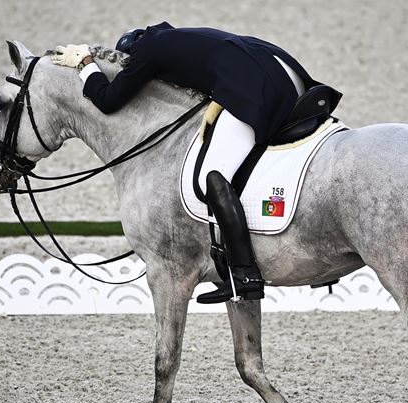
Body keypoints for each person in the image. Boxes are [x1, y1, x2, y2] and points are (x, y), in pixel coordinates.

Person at [52, 22, 324, 304]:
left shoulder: (147, 52)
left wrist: (85, 65)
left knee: (214, 175)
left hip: (256, 87)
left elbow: (108, 101)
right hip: (287, 71)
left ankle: (244, 274)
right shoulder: (177, 37)